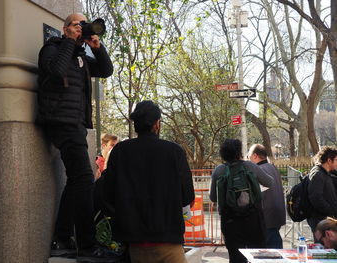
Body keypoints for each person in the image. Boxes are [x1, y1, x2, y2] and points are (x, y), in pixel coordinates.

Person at [36, 12, 114, 261]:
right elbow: (56, 71)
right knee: (84, 180)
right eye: (76, 25)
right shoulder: (52, 48)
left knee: (77, 181)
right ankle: (88, 247)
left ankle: (61, 238)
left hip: (76, 125)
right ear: (65, 28)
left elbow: (106, 70)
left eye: (83, 25)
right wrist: (68, 40)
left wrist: (97, 48)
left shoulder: (82, 56)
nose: (81, 28)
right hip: (60, 121)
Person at [96, 100, 195, 263]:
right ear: (157, 124)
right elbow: (187, 197)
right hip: (169, 241)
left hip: (135, 244)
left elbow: (107, 195)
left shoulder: (120, 152)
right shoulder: (174, 151)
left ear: (135, 125)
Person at [209, 139, 273, 263]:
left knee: (236, 258)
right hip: (253, 218)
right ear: (239, 151)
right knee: (258, 256)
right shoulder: (249, 166)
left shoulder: (219, 170)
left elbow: (213, 197)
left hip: (230, 221)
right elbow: (270, 182)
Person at [248, 144, 286, 248]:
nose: (248, 158)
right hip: (277, 212)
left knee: (269, 249)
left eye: (249, 156)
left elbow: (257, 195)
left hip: (266, 215)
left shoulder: (259, 170)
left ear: (255, 155)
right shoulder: (272, 167)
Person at [307, 146, 337, 236]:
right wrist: (331, 211)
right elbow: (316, 198)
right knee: (323, 247)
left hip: (325, 218)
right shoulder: (318, 174)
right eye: (336, 160)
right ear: (329, 160)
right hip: (320, 220)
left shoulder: (326, 173)